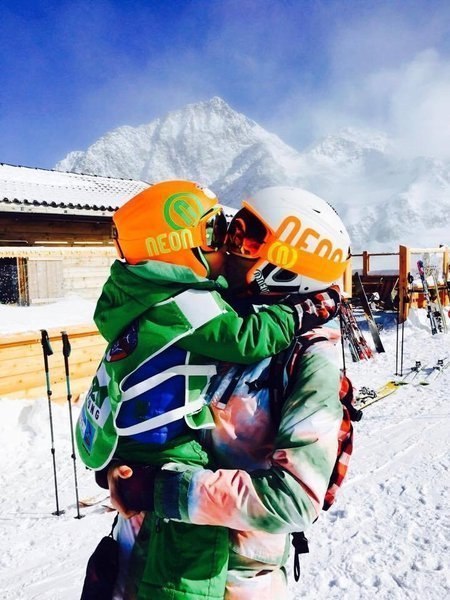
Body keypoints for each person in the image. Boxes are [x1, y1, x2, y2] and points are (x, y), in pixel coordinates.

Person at [76, 181, 342, 599]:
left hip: (229, 581)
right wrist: (119, 465)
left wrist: (160, 490)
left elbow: (294, 500)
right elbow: (134, 398)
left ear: (288, 266)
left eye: (246, 240)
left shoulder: (306, 360)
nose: (226, 247)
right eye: (230, 230)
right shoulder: (202, 316)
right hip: (135, 560)